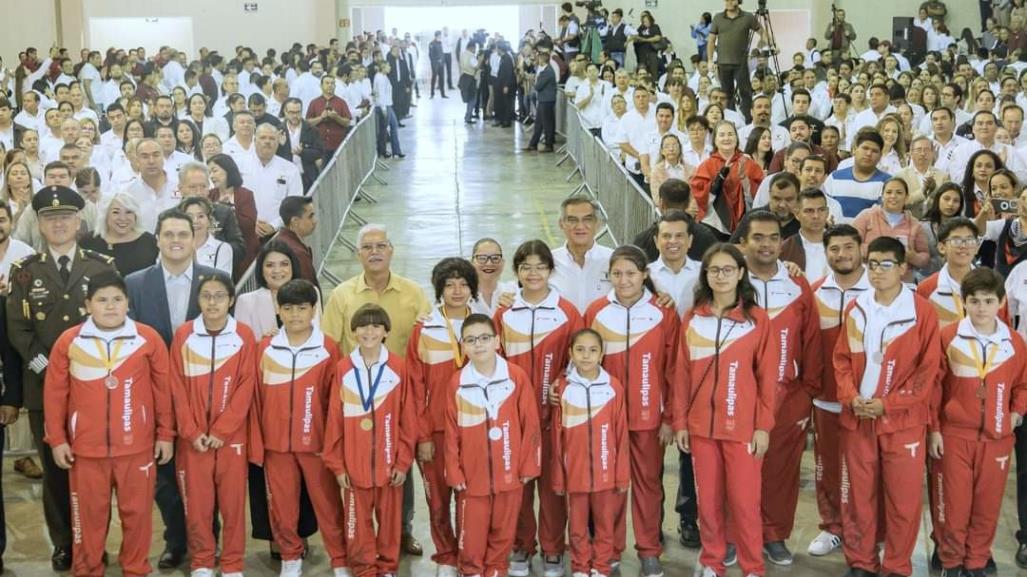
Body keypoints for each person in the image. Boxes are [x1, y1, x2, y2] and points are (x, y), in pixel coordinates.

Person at [5, 185, 116, 572]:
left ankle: (96, 542)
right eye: (50, 218)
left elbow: (113, 321)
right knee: (54, 473)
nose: (59, 223)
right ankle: (65, 543)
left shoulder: (101, 266)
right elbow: (17, 328)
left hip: (92, 389)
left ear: (79, 221)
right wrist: (47, 367)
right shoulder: (26, 271)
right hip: (43, 389)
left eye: (65, 217)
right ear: (39, 223)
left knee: (95, 473)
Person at [44, 270, 174, 577]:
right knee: (89, 517)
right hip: (86, 451)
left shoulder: (147, 338)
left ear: (128, 302)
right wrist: (58, 439)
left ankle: (135, 569)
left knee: (138, 515)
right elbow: (54, 394)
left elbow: (164, 391)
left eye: (117, 299)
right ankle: (88, 570)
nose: (110, 306)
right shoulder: (69, 341)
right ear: (88, 304)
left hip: (137, 448)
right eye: (102, 300)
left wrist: (165, 434)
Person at [834, 236, 941, 577]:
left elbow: (928, 373)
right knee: (858, 498)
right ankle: (862, 561)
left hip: (902, 423)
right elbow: (841, 360)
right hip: (859, 419)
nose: (877, 271)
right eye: (873, 264)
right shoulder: (856, 308)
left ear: (903, 268)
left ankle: (896, 565)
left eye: (886, 264)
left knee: (903, 501)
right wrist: (852, 398)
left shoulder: (920, 312)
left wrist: (888, 405)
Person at [321, 223, 430, 554]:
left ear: (391, 250)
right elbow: (328, 345)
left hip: (397, 394)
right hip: (355, 392)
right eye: (367, 247)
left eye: (380, 245)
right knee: (357, 470)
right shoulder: (342, 295)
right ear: (358, 255)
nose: (375, 252)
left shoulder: (413, 293)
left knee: (400, 465)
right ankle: (361, 540)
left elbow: (426, 341)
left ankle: (402, 531)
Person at [672, 242, 775, 577]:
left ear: (741, 273)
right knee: (709, 503)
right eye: (714, 270)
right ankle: (712, 560)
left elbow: (768, 379)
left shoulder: (757, 320)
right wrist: (680, 423)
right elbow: (681, 376)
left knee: (745, 504)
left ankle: (752, 567)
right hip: (701, 427)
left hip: (743, 429)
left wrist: (762, 426)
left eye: (727, 269)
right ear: (705, 276)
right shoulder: (693, 318)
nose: (720, 276)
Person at [583, 246, 678, 577]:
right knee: (610, 488)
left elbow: (674, 369)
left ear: (645, 275)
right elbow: (582, 363)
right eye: (617, 273)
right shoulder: (596, 311)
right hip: (605, 420)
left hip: (649, 419)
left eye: (631, 273)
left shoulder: (663, 312)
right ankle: (609, 549)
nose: (623, 280)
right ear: (609, 275)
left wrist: (670, 418)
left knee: (648, 485)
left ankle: (650, 550)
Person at [736, 210, 822, 565]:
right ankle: (733, 535)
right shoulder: (730, 281)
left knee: (781, 472)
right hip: (738, 398)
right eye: (758, 237)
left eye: (774, 237)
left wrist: (807, 393)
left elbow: (812, 339)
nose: (767, 244)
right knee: (738, 472)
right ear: (743, 243)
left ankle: (774, 535)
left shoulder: (796, 283)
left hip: (788, 398)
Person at [251, 279, 350, 577]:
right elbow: (255, 397)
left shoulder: (328, 347)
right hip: (276, 445)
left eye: (302, 308)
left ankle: (340, 560)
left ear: (313, 310)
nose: (295, 315)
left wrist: (332, 444)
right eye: (289, 308)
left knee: (329, 506)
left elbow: (335, 401)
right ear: (278, 310)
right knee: (282, 507)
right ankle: (290, 558)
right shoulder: (265, 348)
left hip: (317, 446)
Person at [495, 241, 583, 577]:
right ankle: (521, 545)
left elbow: (578, 359)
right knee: (517, 486)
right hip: (513, 419)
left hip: (553, 418)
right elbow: (492, 359)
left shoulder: (567, 312)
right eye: (526, 267)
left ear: (550, 270)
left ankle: (552, 549)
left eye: (540, 267)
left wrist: (561, 385)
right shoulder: (504, 313)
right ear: (516, 272)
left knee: (552, 488)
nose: (533, 273)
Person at [933, 267, 1027, 577]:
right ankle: (951, 561)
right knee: (954, 505)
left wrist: (1017, 412)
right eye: (974, 301)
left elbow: (1023, 385)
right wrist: (934, 428)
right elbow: (934, 387)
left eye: (988, 301)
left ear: (1001, 302)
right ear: (964, 302)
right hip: (955, 435)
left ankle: (976, 561)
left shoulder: (1014, 341)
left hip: (997, 439)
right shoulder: (948, 337)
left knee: (987, 506)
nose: (981, 308)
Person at [169, 272, 257, 577]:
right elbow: (176, 387)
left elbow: (247, 387)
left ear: (231, 300)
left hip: (230, 439)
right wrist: (191, 431)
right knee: (197, 507)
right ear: (198, 300)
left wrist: (222, 431)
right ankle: (203, 561)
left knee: (233, 506)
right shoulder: (183, 335)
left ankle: (232, 564)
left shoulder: (244, 335)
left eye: (220, 296)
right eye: (206, 295)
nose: (212, 302)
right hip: (192, 440)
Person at [324, 303, 417, 577]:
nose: (369, 331)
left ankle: (387, 566)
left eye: (376, 325)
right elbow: (333, 421)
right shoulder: (342, 369)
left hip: (390, 467)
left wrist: (402, 463)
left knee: (389, 522)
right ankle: (364, 568)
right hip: (354, 467)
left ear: (386, 331)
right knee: (357, 523)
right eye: (363, 325)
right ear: (353, 332)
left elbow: (408, 420)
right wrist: (338, 466)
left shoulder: (398, 367)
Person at [445, 313, 541, 577]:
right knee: (471, 541)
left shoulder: (516, 377)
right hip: (472, 480)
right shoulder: (458, 383)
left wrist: (528, 463)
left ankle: (497, 571)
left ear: (497, 341)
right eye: (471, 340)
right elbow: (451, 433)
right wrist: (453, 470)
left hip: (509, 475)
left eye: (485, 338)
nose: (479, 345)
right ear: (463, 345)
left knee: (502, 540)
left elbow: (530, 425)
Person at [406, 258, 477, 577]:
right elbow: (414, 387)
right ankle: (446, 556)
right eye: (450, 284)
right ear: (439, 290)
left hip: (474, 430)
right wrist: (421, 436)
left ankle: (469, 555)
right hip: (434, 432)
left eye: (463, 284)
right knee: (437, 502)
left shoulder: (485, 327)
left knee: (470, 500)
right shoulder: (424, 329)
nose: (457, 290)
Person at [807, 225, 871, 558]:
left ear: (862, 249)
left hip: (867, 401)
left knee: (865, 469)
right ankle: (832, 527)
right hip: (827, 398)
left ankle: (864, 529)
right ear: (826, 252)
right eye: (834, 249)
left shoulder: (877, 291)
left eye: (849, 247)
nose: (842, 254)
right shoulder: (815, 292)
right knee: (827, 466)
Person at [550, 328, 629, 577]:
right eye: (580, 350)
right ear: (571, 354)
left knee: (605, 525)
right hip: (575, 476)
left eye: (593, 350)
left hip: (607, 475)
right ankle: (581, 567)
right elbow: (557, 438)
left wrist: (621, 475)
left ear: (602, 354)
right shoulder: (562, 389)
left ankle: (601, 567)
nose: (586, 356)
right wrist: (559, 476)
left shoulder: (613, 387)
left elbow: (621, 434)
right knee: (577, 526)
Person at [692, 120, 765, 236]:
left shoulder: (748, 162)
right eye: (722, 135)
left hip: (746, 225)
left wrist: (743, 178)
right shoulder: (707, 165)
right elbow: (701, 199)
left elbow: (759, 197)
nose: (727, 138)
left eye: (730, 134)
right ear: (715, 140)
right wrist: (720, 177)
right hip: (714, 225)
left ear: (737, 138)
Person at [852, 178, 931, 281]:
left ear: (907, 198)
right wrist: (876, 251)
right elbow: (851, 244)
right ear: (882, 197)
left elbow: (925, 256)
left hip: (903, 280)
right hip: (868, 278)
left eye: (899, 192)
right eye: (889, 192)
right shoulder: (867, 216)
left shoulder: (915, 224)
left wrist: (912, 256)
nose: (893, 196)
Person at [550, 198, 614, 314]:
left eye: (587, 220)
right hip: (563, 332)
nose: (580, 226)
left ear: (597, 223)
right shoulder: (548, 261)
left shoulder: (613, 260)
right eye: (572, 220)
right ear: (561, 224)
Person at [707, 0, 767, 121]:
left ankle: (749, 121)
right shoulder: (718, 18)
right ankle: (729, 120)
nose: (728, 2)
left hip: (741, 63)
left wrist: (765, 43)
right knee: (726, 95)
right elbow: (711, 41)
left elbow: (763, 32)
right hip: (723, 62)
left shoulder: (748, 17)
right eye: (726, 0)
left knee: (746, 93)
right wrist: (709, 60)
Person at [81, 192, 160, 277]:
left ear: (136, 216)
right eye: (116, 212)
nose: (122, 218)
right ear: (106, 215)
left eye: (129, 212)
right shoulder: (88, 242)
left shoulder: (150, 243)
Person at [823, 130, 891, 223]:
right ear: (854, 150)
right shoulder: (834, 178)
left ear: (880, 156)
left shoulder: (888, 182)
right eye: (865, 148)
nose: (869, 153)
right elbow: (823, 209)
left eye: (874, 151)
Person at [208, 154, 260, 275]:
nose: (211, 176)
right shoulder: (209, 195)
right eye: (209, 172)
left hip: (243, 253)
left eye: (215, 171)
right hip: (215, 254)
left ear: (228, 170)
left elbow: (248, 225)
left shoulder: (245, 195)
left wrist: (227, 210)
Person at [248, 123, 303, 236]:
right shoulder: (240, 166)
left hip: (279, 234)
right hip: (246, 231)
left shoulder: (290, 169)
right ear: (254, 140)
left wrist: (273, 226)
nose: (267, 141)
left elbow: (295, 204)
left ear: (278, 142)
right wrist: (250, 223)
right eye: (263, 137)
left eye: (272, 138)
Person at [780, 189, 831, 280]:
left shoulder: (841, 244)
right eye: (809, 211)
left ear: (827, 212)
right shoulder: (786, 249)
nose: (816, 216)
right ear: (797, 214)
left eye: (821, 210)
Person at [180, 196, 233, 277]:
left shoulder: (222, 248)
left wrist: (195, 264)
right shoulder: (173, 246)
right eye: (189, 217)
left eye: (201, 216)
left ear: (209, 220)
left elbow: (221, 283)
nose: (195, 221)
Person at [306, 74, 352, 155]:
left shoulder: (341, 102)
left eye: (332, 83)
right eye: (327, 83)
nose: (330, 85)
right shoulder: (314, 103)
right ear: (321, 86)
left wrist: (336, 117)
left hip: (338, 145)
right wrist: (321, 118)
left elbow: (347, 122)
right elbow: (308, 123)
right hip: (319, 145)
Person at [277, 195, 319, 286]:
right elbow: (307, 289)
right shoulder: (297, 252)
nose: (315, 221)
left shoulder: (281, 240)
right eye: (310, 216)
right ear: (295, 221)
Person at [525, 50, 556, 153]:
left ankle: (549, 145)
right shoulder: (544, 70)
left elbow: (538, 86)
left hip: (547, 100)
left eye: (538, 58)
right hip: (543, 100)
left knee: (547, 123)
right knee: (538, 123)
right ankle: (533, 144)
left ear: (542, 59)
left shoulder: (547, 72)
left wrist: (531, 79)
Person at [373, 60, 405, 159]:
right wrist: (383, 108)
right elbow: (380, 93)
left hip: (388, 105)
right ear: (383, 67)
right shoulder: (380, 78)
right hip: (383, 106)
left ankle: (396, 150)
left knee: (394, 126)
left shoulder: (384, 77)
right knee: (383, 130)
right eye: (388, 66)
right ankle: (383, 150)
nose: (390, 67)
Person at [430, 31, 447, 99]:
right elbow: (431, 55)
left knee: (442, 79)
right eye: (440, 35)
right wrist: (437, 60)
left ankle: (443, 94)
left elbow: (442, 53)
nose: (440, 36)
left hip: (441, 64)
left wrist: (442, 61)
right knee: (434, 79)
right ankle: (432, 94)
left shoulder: (440, 43)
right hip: (435, 65)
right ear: (437, 35)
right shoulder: (432, 43)